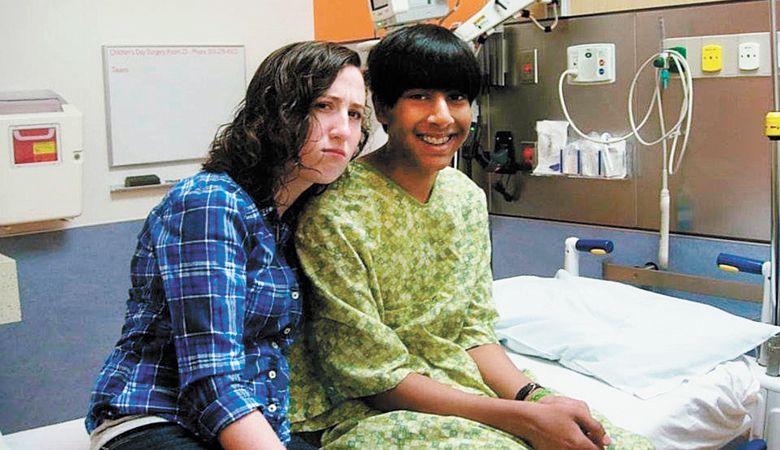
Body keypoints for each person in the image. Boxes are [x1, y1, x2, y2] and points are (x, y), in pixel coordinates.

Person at [288, 24, 654, 450]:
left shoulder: (465, 197)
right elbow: (372, 376)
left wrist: (535, 398)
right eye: (420, 96)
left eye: (457, 98)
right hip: (372, 410)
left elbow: (474, 332)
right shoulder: (334, 213)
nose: (442, 116)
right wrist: (524, 421)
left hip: (465, 387)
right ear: (383, 109)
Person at [85, 40, 368, 450]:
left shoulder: (295, 218)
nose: (343, 129)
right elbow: (211, 380)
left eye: (355, 114)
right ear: (279, 112)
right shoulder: (211, 201)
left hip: (249, 419)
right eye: (323, 106)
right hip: (157, 419)